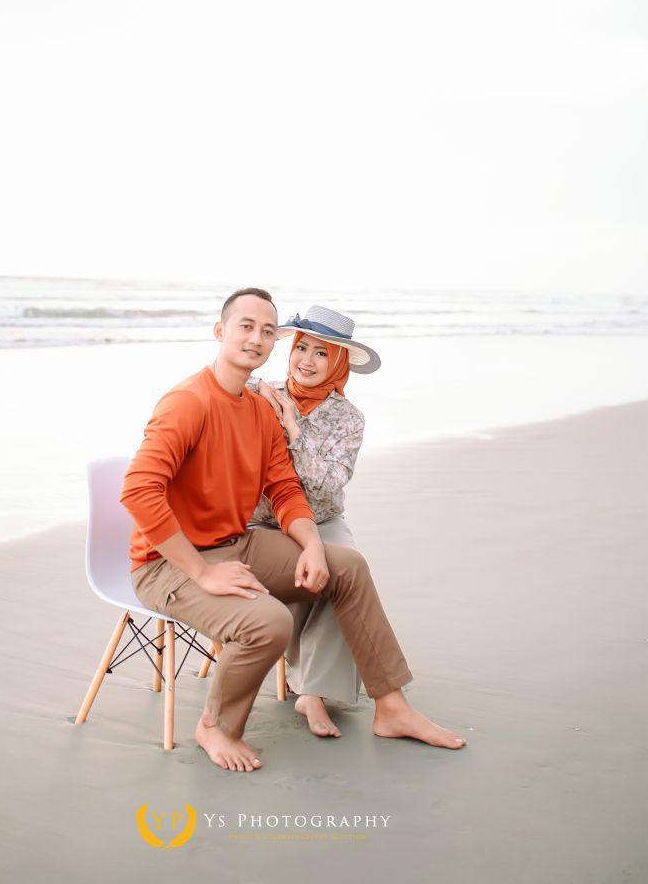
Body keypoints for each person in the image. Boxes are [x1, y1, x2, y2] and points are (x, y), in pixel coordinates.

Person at [121, 287, 465, 772]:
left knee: (347, 566)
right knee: (271, 622)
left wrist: (312, 546)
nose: (256, 339)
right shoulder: (187, 402)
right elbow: (138, 491)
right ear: (220, 331)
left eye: (267, 331)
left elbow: (284, 486)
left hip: (237, 543)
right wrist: (202, 572)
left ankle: (392, 707)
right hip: (168, 565)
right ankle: (216, 727)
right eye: (246, 327)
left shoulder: (261, 408)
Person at [248, 304, 380, 738]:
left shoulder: (348, 419)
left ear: (339, 362)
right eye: (301, 348)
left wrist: (294, 429)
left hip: (322, 518)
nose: (306, 360)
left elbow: (326, 484)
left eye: (321, 353)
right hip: (263, 521)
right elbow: (217, 386)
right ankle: (307, 677)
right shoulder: (259, 393)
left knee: (345, 568)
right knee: (313, 566)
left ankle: (313, 691)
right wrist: (259, 390)